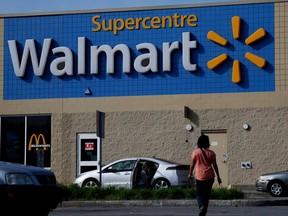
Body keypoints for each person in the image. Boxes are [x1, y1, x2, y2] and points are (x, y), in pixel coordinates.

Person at [188, 134, 222, 216]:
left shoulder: (196, 152)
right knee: (207, 195)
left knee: (199, 194)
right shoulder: (211, 153)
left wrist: (190, 174)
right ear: (207, 143)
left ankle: (201, 206)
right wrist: (218, 177)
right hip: (210, 176)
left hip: (200, 177)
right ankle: (204, 211)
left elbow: (192, 165)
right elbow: (215, 165)